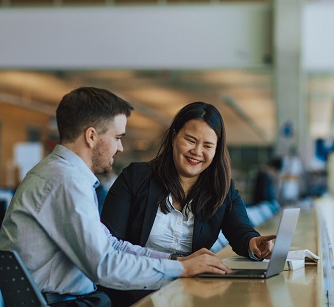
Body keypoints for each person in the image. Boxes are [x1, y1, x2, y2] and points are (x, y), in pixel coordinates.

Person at [0, 88, 230, 307]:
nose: (120, 148)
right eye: (117, 137)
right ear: (91, 136)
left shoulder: (61, 175)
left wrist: (176, 261)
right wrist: (182, 270)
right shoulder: (65, 182)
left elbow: (111, 245)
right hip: (65, 302)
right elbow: (104, 266)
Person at [100, 102, 276, 306]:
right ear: (174, 137)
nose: (197, 151)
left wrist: (252, 243)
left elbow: (240, 230)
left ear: (217, 149)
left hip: (190, 291)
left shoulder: (222, 188)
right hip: (134, 291)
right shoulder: (136, 177)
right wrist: (176, 264)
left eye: (208, 146)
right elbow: (111, 245)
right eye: (190, 140)